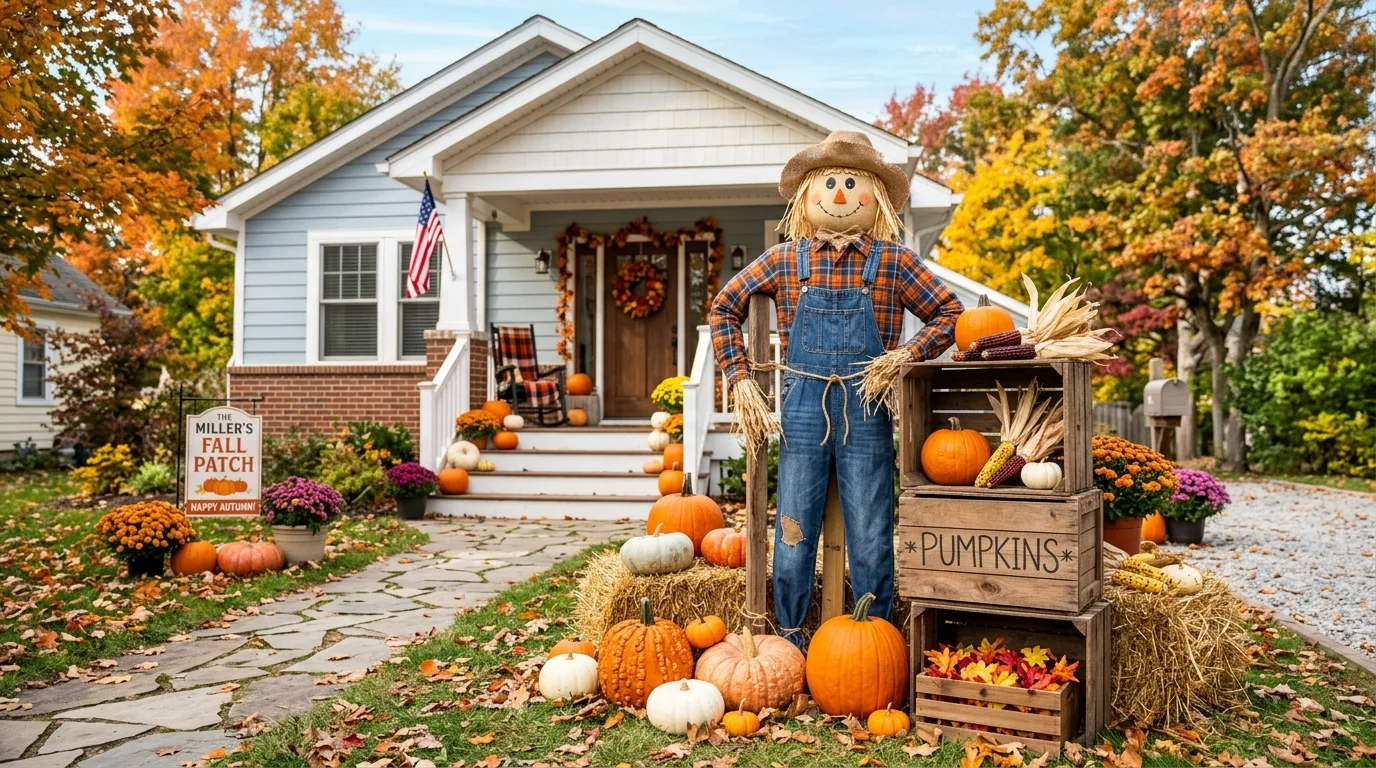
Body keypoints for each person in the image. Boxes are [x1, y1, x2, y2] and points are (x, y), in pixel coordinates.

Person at [708, 130, 963, 649]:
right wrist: (740, 377)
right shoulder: (786, 259)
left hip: (867, 406)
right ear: (807, 196)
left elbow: (950, 313)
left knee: (871, 530)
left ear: (877, 198)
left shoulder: (893, 261)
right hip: (802, 409)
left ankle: (875, 638)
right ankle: (789, 640)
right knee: (793, 527)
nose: (840, 194)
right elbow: (723, 307)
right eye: (829, 184)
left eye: (851, 183)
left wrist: (906, 356)